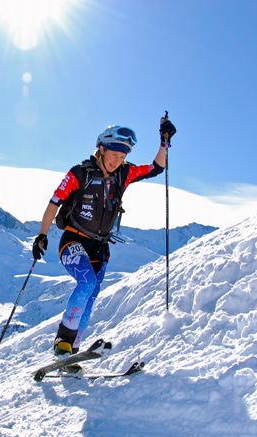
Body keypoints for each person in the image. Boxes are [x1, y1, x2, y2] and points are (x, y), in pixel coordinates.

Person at [32, 118, 176, 369]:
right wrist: (42, 235)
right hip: (74, 240)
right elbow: (54, 202)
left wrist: (164, 142)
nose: (118, 161)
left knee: (93, 292)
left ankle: (72, 351)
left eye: (123, 157)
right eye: (114, 155)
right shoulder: (79, 173)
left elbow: (156, 168)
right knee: (86, 282)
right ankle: (63, 343)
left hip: (100, 246)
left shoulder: (125, 173)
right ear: (101, 148)